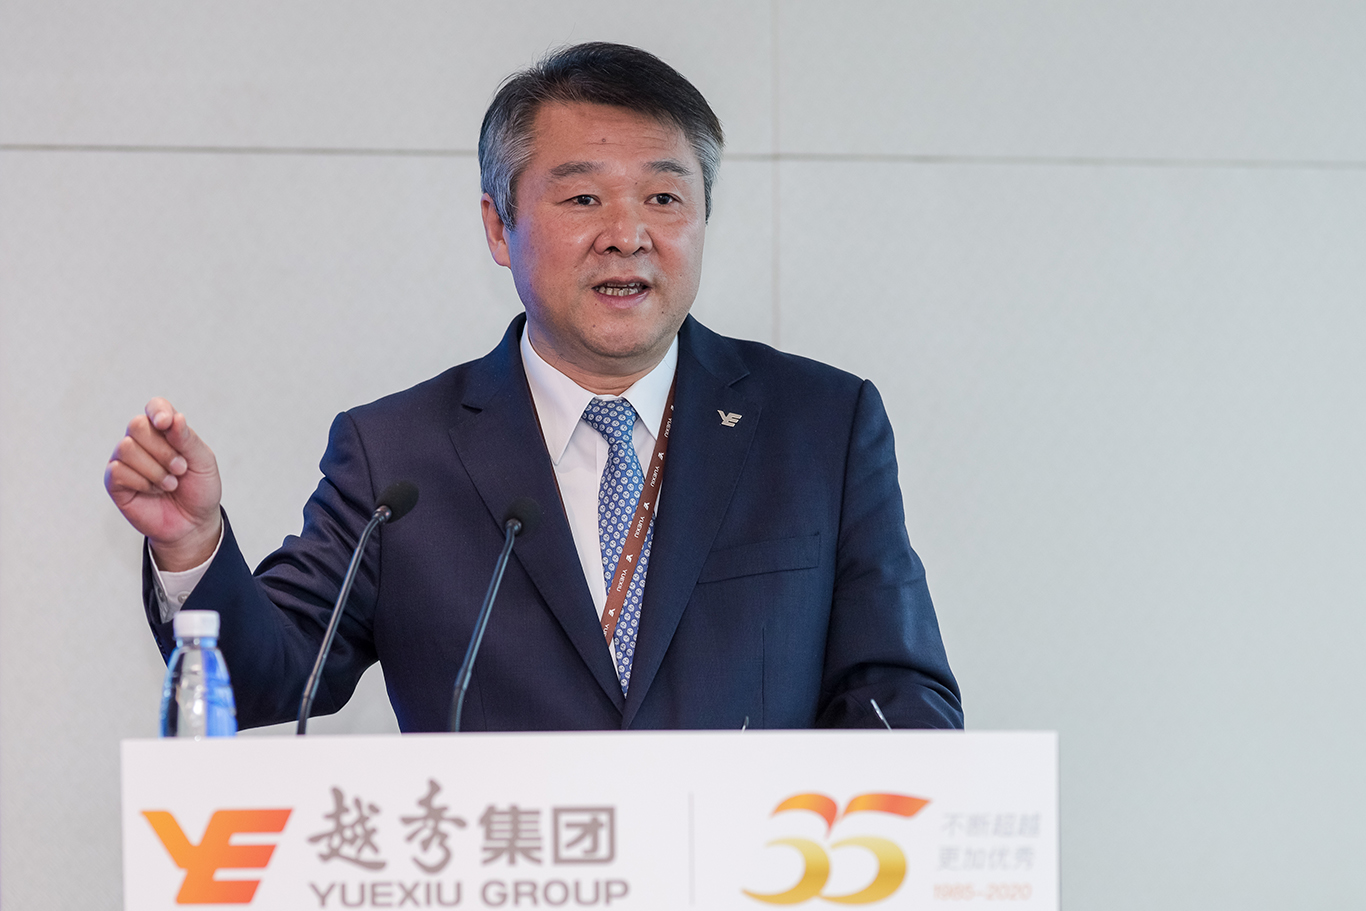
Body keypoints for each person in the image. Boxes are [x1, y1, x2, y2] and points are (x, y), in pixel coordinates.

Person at [104, 42, 962, 732]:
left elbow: (899, 692)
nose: (627, 235)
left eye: (664, 197)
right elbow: (268, 679)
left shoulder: (819, 425)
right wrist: (194, 546)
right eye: (583, 198)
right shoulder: (398, 457)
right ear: (498, 225)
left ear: (704, 215)